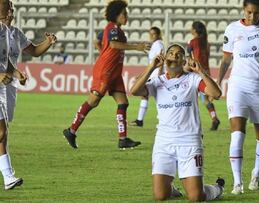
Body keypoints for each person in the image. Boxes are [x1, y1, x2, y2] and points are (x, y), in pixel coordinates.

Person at [130, 44, 224, 202]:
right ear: (165, 58)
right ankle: (171, 188)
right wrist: (152, 66)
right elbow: (134, 91)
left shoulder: (193, 79)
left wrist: (200, 71)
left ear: (183, 60)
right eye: (171, 53)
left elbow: (216, 93)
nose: (174, 56)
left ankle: (217, 188)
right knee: (160, 196)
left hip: (189, 141)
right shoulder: (156, 82)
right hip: (164, 142)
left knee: (195, 197)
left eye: (179, 54)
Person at [216, 0, 259, 194]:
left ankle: (256, 173)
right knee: (237, 135)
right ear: (243, 11)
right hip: (238, 87)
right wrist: (217, 82)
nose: (253, 17)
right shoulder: (232, 29)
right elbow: (226, 60)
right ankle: (237, 182)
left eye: (257, 13)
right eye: (249, 12)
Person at [62, 0, 150, 149]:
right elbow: (114, 45)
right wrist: (136, 47)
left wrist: (102, 51)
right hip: (106, 71)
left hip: (114, 72)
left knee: (123, 103)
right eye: (124, 13)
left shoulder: (116, 29)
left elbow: (98, 41)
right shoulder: (112, 27)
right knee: (93, 101)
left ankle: (123, 139)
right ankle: (71, 131)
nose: (126, 16)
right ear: (116, 15)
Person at [0, 0, 28, 190]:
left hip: (1, 88)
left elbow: (4, 59)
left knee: (3, 132)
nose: (11, 10)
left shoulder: (5, 32)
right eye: (7, 7)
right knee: (1, 132)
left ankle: (8, 177)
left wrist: (14, 72)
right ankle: (8, 175)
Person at [187, 21, 220, 131]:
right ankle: (214, 117)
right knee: (205, 99)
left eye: (192, 28)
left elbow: (188, 57)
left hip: (196, 72)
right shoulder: (206, 43)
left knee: (196, 99)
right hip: (206, 72)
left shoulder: (192, 42)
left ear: (195, 30)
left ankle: (193, 122)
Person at [131, 26, 164, 127]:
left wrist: (160, 73)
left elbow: (161, 59)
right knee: (145, 95)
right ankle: (140, 120)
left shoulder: (158, 44)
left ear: (158, 35)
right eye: (150, 34)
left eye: (153, 34)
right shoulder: (155, 45)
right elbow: (151, 63)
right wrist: (142, 75)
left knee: (159, 99)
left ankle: (163, 120)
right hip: (152, 74)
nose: (151, 36)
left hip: (156, 75)